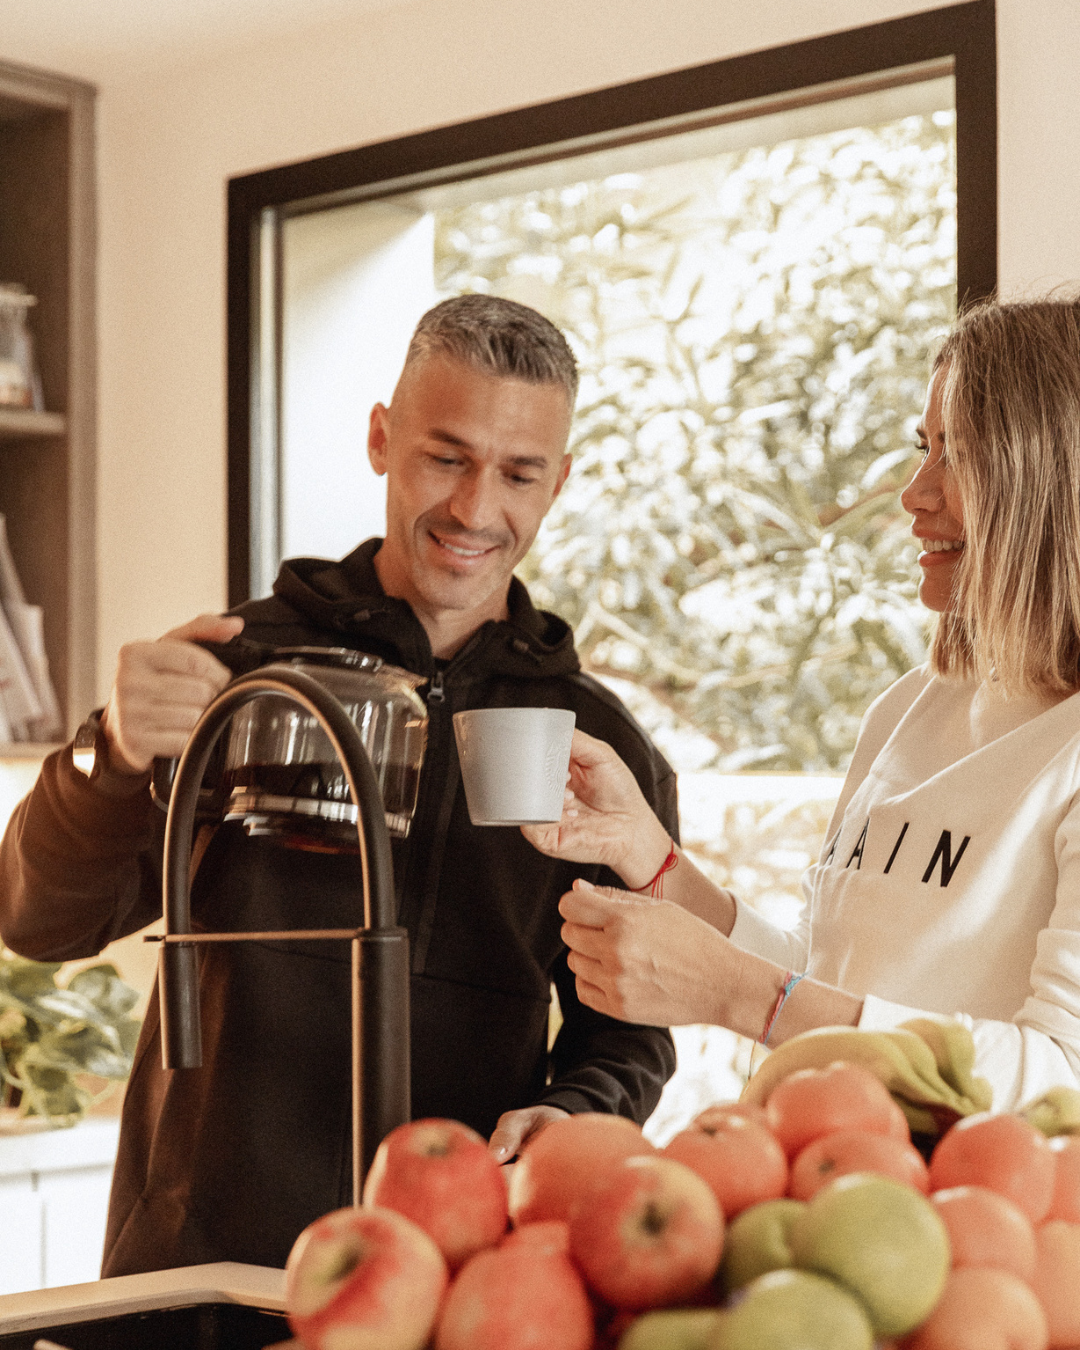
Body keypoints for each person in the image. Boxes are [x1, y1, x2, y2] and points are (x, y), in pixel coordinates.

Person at [0, 294, 677, 1274]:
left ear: (558, 483)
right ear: (381, 439)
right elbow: (37, 919)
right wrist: (108, 757)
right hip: (199, 1279)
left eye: (519, 472)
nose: (477, 508)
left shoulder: (597, 750)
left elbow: (628, 1035)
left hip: (446, 1282)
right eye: (446, 456)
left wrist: (575, 1113)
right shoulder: (237, 671)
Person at [525, 296, 1080, 1113]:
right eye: (923, 449)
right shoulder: (909, 709)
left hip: (983, 1228)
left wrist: (742, 996)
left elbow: (1061, 1074)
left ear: (1048, 477)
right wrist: (656, 862)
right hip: (835, 1187)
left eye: (957, 455)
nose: (913, 494)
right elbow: (829, 981)